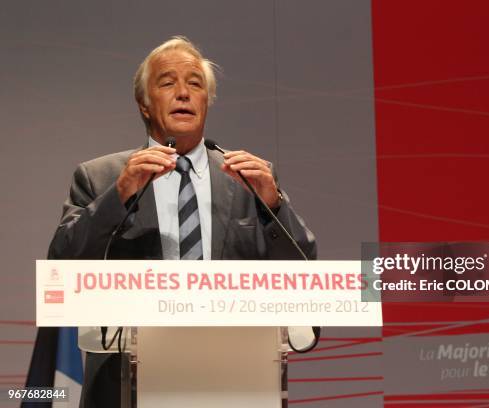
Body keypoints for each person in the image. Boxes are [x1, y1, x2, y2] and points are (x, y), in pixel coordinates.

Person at [47, 36, 316, 407]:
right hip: (126, 387)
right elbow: (62, 266)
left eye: (195, 83)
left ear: (207, 101)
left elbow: (305, 273)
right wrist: (118, 195)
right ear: (144, 104)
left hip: (238, 381)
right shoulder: (101, 177)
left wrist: (274, 204)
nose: (184, 93)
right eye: (167, 82)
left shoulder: (251, 177)